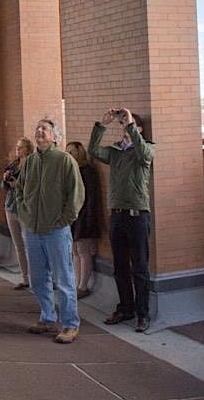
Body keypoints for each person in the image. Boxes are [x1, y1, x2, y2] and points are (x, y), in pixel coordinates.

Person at [15, 118, 84, 344]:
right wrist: (24, 215)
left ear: (55, 136)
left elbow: (76, 195)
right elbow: (19, 190)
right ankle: (47, 317)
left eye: (44, 129)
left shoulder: (65, 161)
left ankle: (70, 324)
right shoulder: (30, 162)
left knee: (63, 278)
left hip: (56, 231)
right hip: (32, 230)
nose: (39, 132)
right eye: (37, 129)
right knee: (38, 278)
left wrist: (63, 221)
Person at [89, 107, 155, 333]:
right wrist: (102, 125)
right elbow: (94, 150)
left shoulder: (146, 149)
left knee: (140, 267)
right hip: (117, 215)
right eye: (123, 125)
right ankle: (125, 307)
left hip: (138, 216)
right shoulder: (116, 152)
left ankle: (143, 313)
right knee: (120, 267)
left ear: (139, 129)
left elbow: (145, 155)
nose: (125, 129)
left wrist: (129, 125)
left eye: (130, 125)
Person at [67, 141, 101, 299]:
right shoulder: (70, 170)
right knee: (74, 250)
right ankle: (76, 283)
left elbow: (92, 197)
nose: (69, 155)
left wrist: (90, 219)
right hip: (72, 216)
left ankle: (83, 285)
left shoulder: (87, 171)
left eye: (72, 152)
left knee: (83, 250)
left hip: (84, 216)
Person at [2, 137, 33, 289]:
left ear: (28, 149)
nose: (18, 150)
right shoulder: (14, 164)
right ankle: (24, 277)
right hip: (10, 206)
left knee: (29, 243)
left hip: (24, 208)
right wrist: (6, 179)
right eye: (17, 147)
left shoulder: (32, 164)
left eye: (21, 147)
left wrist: (18, 185)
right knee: (18, 245)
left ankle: (36, 277)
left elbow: (32, 186)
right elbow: (5, 186)